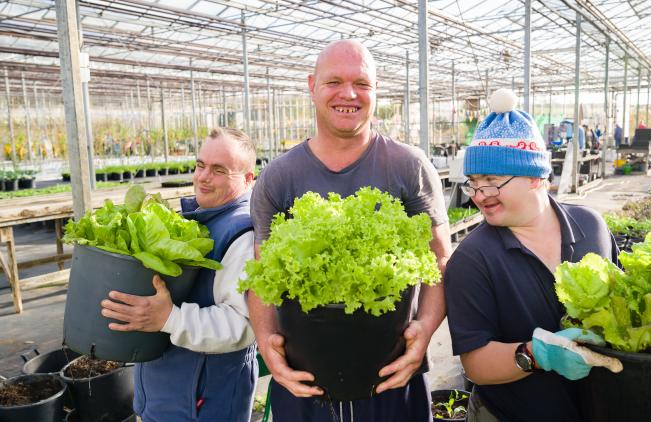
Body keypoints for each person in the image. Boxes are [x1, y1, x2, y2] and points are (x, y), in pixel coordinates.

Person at [247, 40, 451, 422]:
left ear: (376, 89)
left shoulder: (408, 166)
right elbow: (263, 276)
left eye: (361, 83)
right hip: (307, 381)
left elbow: (439, 260)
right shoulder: (279, 177)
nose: (349, 94)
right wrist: (266, 343)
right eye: (334, 82)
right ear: (311, 86)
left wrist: (424, 329)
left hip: (391, 376)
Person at [444, 88, 623, 422]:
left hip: (599, 407)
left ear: (535, 177)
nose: (479, 196)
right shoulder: (473, 258)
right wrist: (536, 355)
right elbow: (475, 364)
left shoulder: (591, 226)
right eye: (473, 183)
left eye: (491, 181)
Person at [101, 127, 259, 421]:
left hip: (203, 403)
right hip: (167, 394)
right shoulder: (202, 217)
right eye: (200, 165)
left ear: (248, 179)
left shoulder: (243, 234)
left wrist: (169, 318)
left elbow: (243, 325)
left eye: (219, 170)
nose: (202, 177)